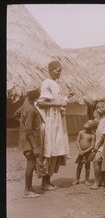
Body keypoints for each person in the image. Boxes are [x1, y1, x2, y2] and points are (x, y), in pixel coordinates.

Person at [36, 60, 72, 191]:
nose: (60, 73)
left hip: (58, 120)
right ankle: (44, 183)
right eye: (58, 70)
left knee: (56, 150)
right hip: (50, 121)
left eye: (61, 70)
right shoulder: (46, 83)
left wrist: (65, 99)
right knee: (49, 149)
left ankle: (48, 181)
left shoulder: (56, 84)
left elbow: (58, 102)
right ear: (51, 70)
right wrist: (58, 105)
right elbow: (41, 103)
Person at [14, 84, 41, 198]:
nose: (40, 93)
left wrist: (23, 123)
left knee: (31, 163)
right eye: (38, 92)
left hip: (26, 139)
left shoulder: (26, 103)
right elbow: (29, 130)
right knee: (31, 163)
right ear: (34, 94)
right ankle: (27, 190)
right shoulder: (30, 109)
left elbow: (16, 114)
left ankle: (29, 188)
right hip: (29, 141)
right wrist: (35, 146)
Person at [90, 102, 105, 190]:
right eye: (98, 108)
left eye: (102, 107)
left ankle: (97, 181)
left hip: (103, 145)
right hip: (100, 144)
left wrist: (97, 146)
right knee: (101, 162)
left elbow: (104, 134)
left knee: (96, 161)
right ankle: (103, 180)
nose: (99, 109)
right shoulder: (101, 119)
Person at [73, 120, 97, 185]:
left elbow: (92, 145)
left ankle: (86, 180)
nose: (86, 123)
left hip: (87, 153)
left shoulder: (92, 135)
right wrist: (80, 150)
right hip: (81, 152)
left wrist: (85, 151)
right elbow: (77, 141)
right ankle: (77, 179)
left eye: (88, 123)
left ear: (92, 127)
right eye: (87, 122)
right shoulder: (81, 132)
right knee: (79, 166)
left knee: (87, 166)